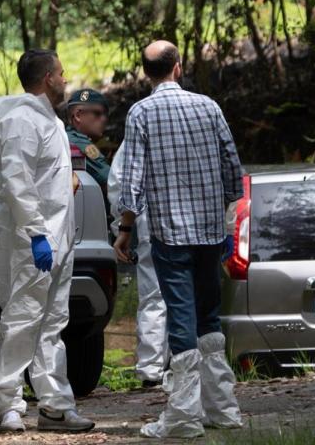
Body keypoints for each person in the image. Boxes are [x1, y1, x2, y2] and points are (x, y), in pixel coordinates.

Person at [114, 41, 244, 439]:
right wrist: (224, 216)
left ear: (146, 73)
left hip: (169, 233)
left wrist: (125, 229)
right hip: (209, 232)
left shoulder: (141, 112)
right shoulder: (209, 106)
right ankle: (222, 408)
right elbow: (232, 168)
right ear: (178, 67)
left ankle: (185, 416)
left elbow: (132, 180)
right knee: (208, 315)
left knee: (182, 318)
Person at [0, 49, 95, 433]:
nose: (66, 80)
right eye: (61, 73)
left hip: (58, 236)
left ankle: (54, 405)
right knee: (22, 319)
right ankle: (8, 403)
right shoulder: (19, 121)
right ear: (48, 78)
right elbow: (17, 181)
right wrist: (36, 233)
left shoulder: (51, 121)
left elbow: (46, 178)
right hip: (30, 238)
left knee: (52, 323)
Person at [107, 138, 169, 389]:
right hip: (198, 229)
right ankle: (187, 365)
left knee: (154, 297)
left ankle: (152, 369)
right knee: (190, 297)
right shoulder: (204, 120)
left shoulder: (141, 126)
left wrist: (122, 229)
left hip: (152, 227)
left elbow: (120, 183)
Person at [65, 88, 111, 192]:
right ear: (78, 116)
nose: (103, 119)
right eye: (97, 113)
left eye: (105, 114)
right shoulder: (78, 143)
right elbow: (112, 180)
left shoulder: (68, 138)